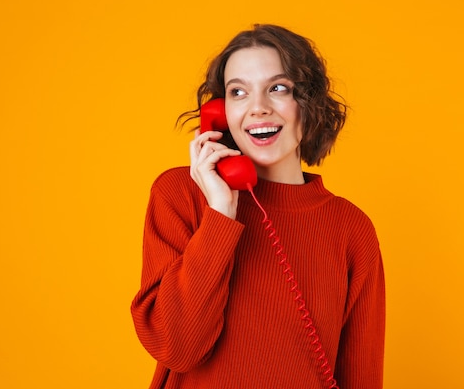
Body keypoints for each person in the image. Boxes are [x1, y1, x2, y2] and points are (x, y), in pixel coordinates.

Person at [131, 24, 385, 389]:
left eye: (277, 88)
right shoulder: (180, 194)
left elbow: (362, 376)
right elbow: (176, 347)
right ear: (220, 113)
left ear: (308, 103)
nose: (258, 108)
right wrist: (220, 214)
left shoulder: (350, 227)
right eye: (238, 92)